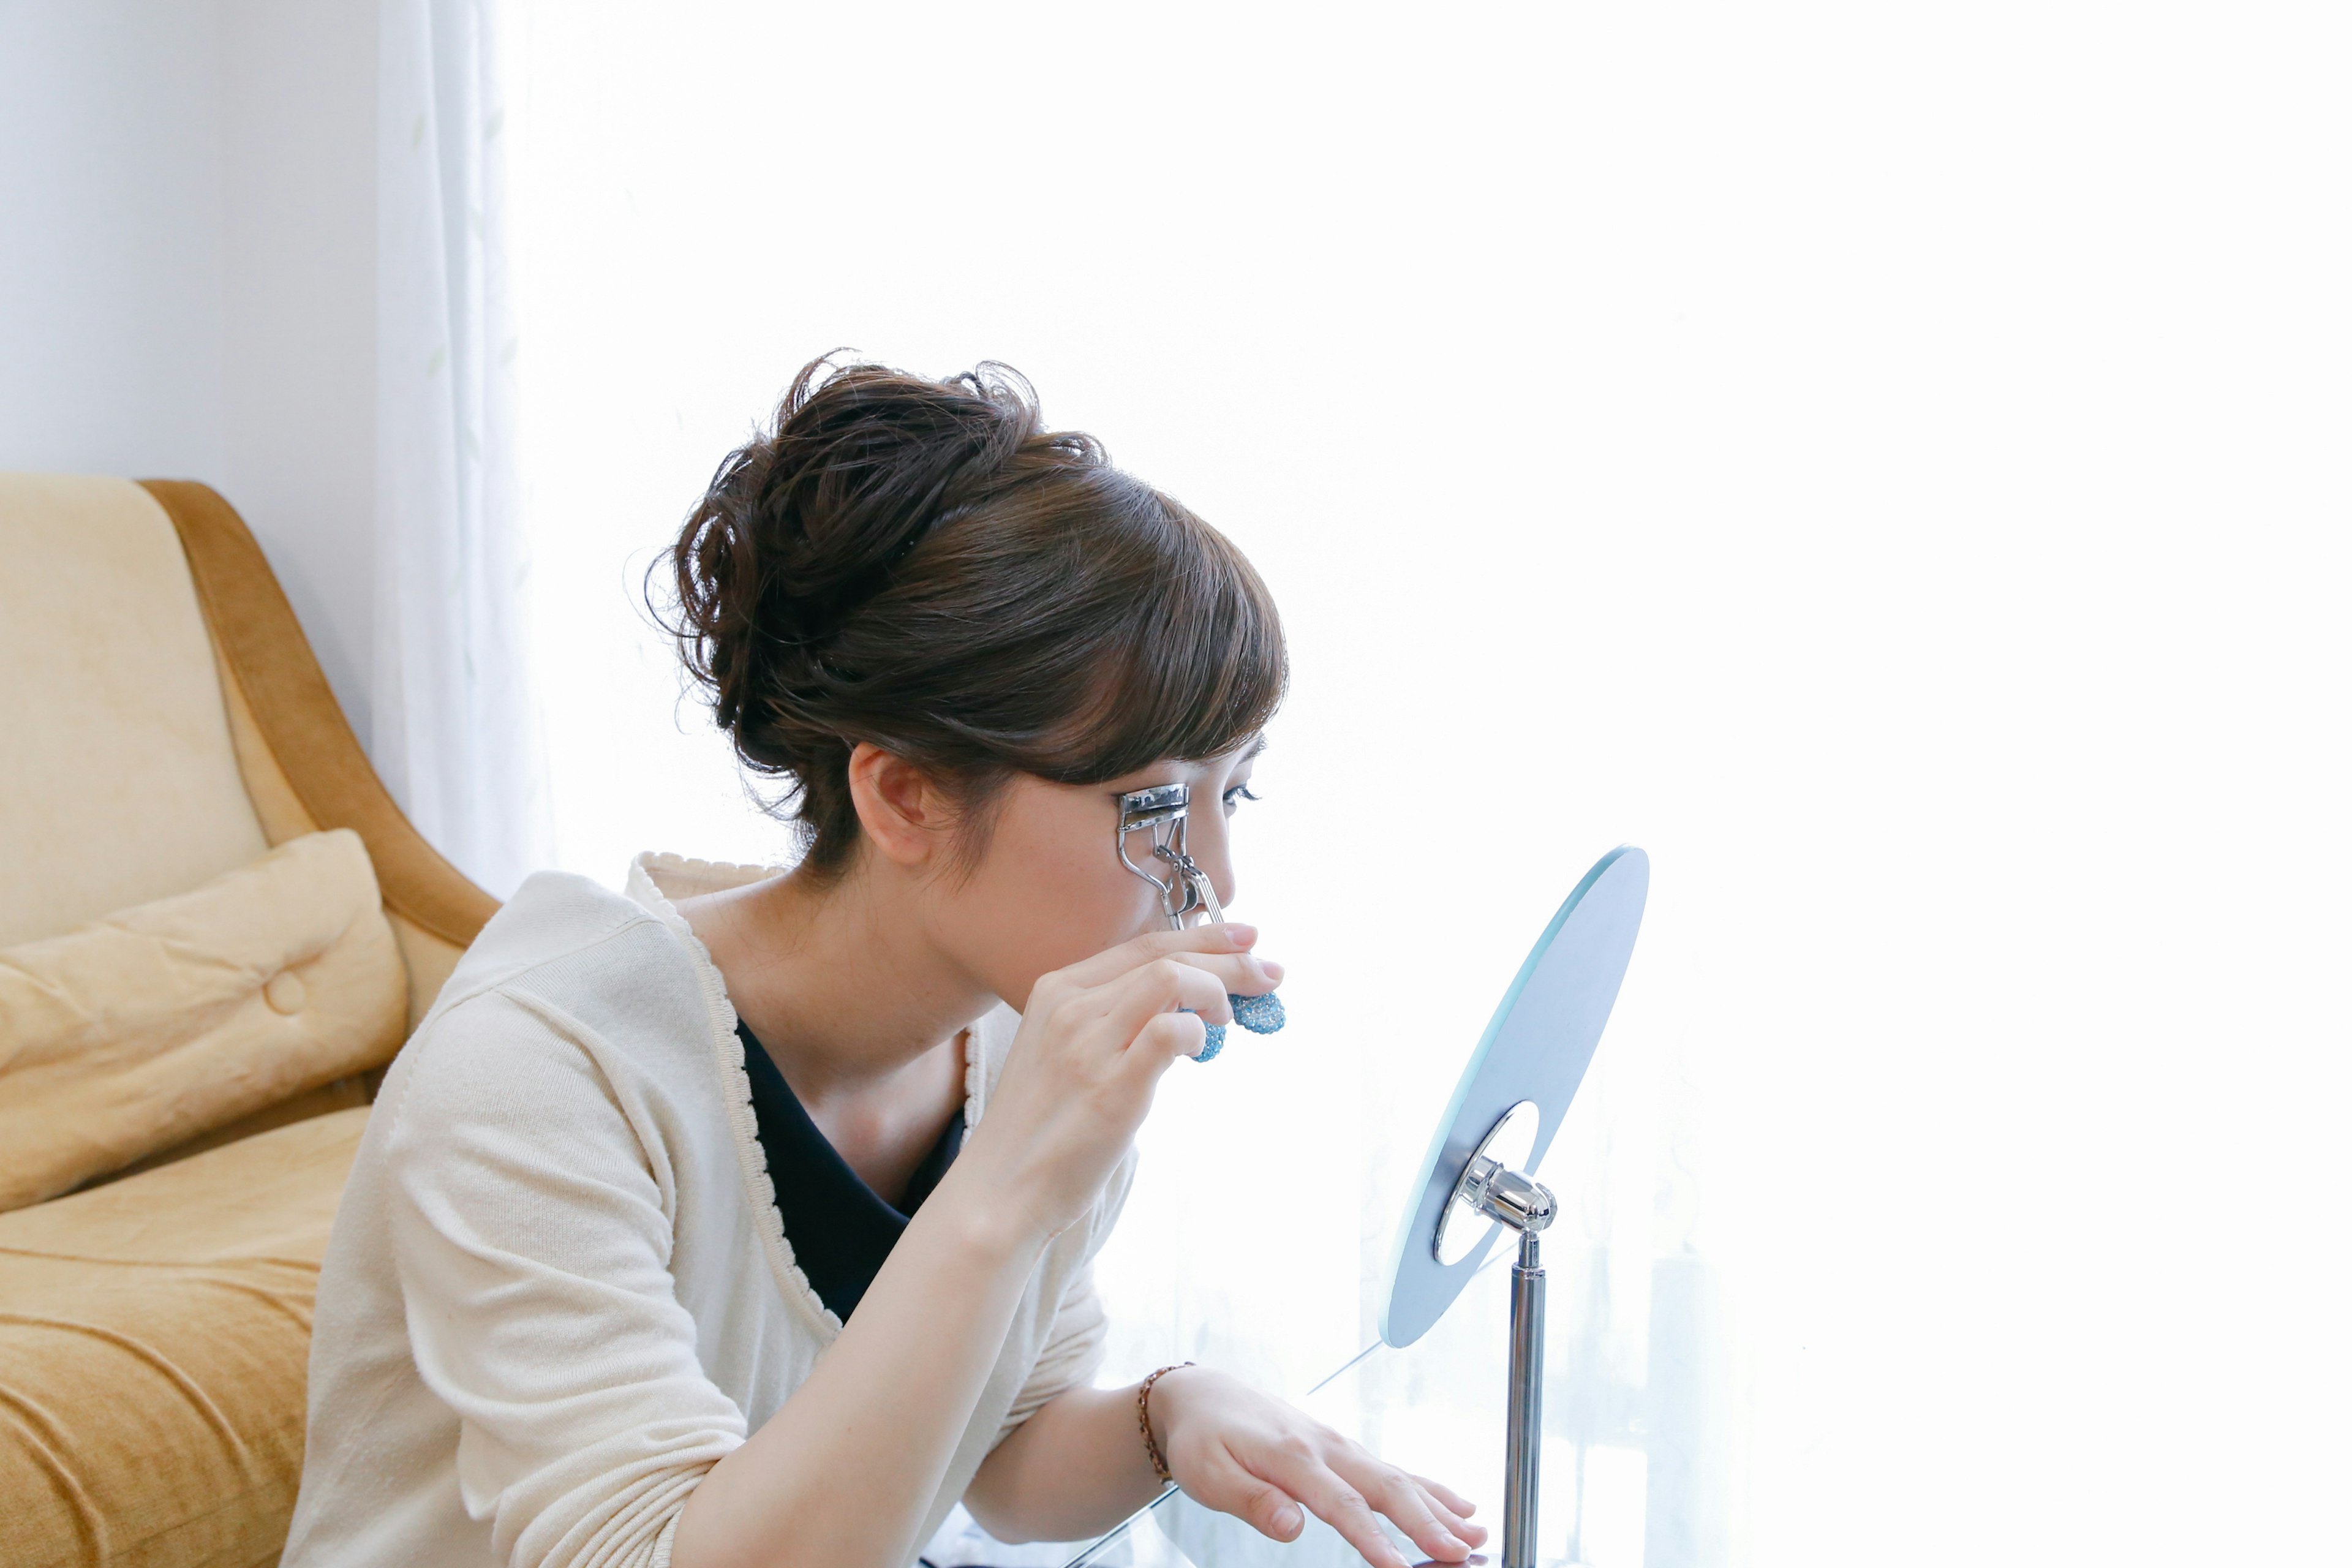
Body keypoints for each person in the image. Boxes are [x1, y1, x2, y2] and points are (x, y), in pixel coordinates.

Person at [282, 358, 1487, 1568]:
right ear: (904, 794)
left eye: (1235, 788)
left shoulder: (1022, 1030)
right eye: (1152, 808)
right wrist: (1009, 1180)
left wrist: (1167, 1417)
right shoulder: (541, 1068)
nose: (1212, 880)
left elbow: (1000, 1451)